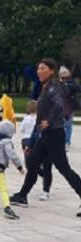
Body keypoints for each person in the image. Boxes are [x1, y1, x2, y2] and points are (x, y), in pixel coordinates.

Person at [10, 58, 81, 218]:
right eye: (38, 68)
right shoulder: (47, 87)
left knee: (63, 167)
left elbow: (58, 105)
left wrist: (48, 120)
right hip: (46, 134)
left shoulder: (53, 87)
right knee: (33, 162)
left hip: (54, 133)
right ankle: (22, 195)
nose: (39, 71)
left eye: (42, 68)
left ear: (51, 71)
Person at [20, 100, 51, 201]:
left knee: (44, 166)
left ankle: (45, 189)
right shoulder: (39, 118)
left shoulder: (52, 117)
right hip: (36, 142)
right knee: (34, 164)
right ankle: (26, 191)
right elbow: (35, 132)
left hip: (46, 142)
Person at [60, 66, 79, 152]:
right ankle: (62, 141)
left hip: (69, 106)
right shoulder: (58, 83)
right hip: (61, 106)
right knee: (61, 125)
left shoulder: (72, 83)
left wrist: (67, 84)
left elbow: (77, 88)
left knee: (68, 124)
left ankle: (67, 142)